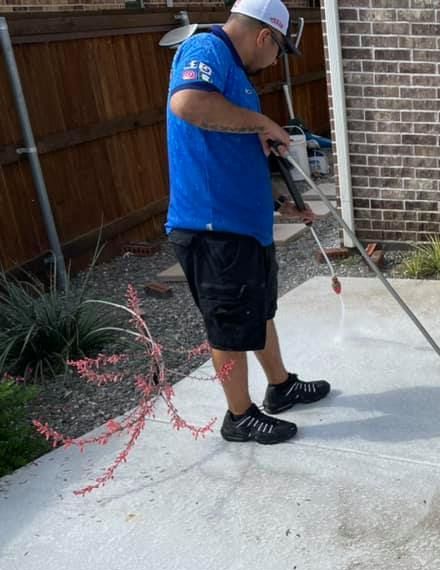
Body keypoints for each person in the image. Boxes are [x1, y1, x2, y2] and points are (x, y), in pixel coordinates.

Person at [165, 0, 329, 445]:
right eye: (279, 50)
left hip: (243, 223)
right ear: (264, 36)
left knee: (257, 312)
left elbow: (228, 157)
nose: (275, 60)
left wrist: (279, 203)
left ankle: (281, 386)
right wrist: (260, 121)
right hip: (213, 228)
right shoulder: (207, 49)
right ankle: (239, 416)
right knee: (229, 327)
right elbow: (188, 103)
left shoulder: (234, 77)